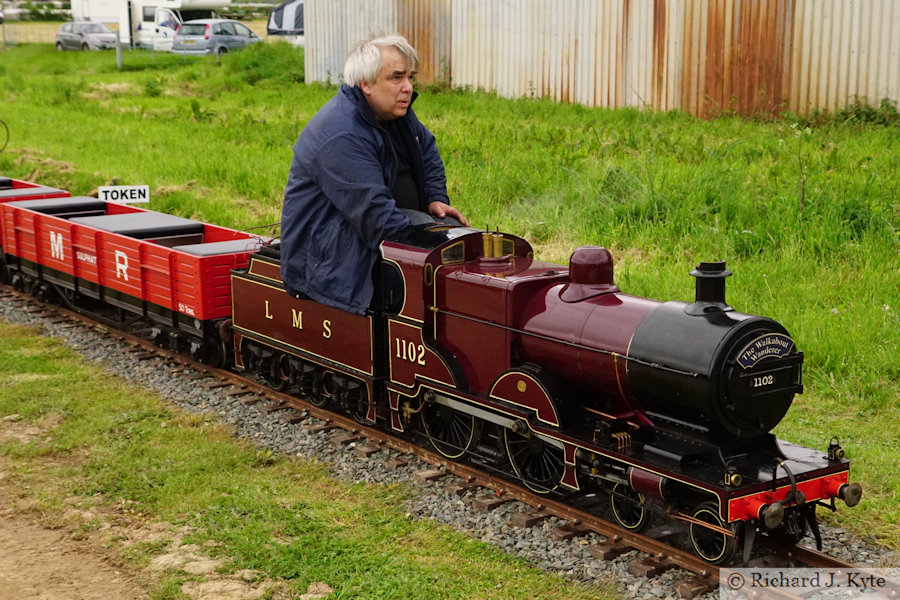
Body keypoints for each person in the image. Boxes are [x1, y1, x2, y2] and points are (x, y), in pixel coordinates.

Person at [280, 33, 467, 315]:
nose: (407, 88)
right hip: (330, 252)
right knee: (440, 241)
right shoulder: (341, 134)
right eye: (396, 78)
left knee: (450, 225)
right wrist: (435, 242)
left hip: (376, 224)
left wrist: (435, 198)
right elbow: (376, 216)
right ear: (365, 84)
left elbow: (426, 148)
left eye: (410, 77)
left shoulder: (394, 112)